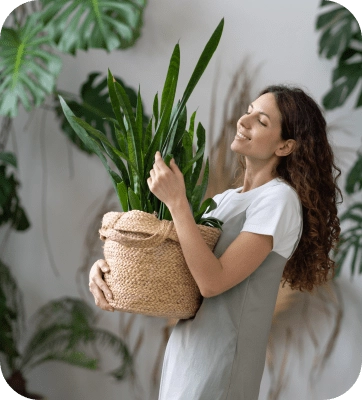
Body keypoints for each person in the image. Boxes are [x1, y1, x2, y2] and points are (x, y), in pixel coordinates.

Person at [88, 85, 343, 399]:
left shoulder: (279, 200)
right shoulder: (224, 201)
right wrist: (109, 272)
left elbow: (212, 281)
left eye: (261, 121)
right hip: (186, 357)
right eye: (248, 111)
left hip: (222, 367)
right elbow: (178, 272)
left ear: (285, 146)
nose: (243, 121)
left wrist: (177, 203)